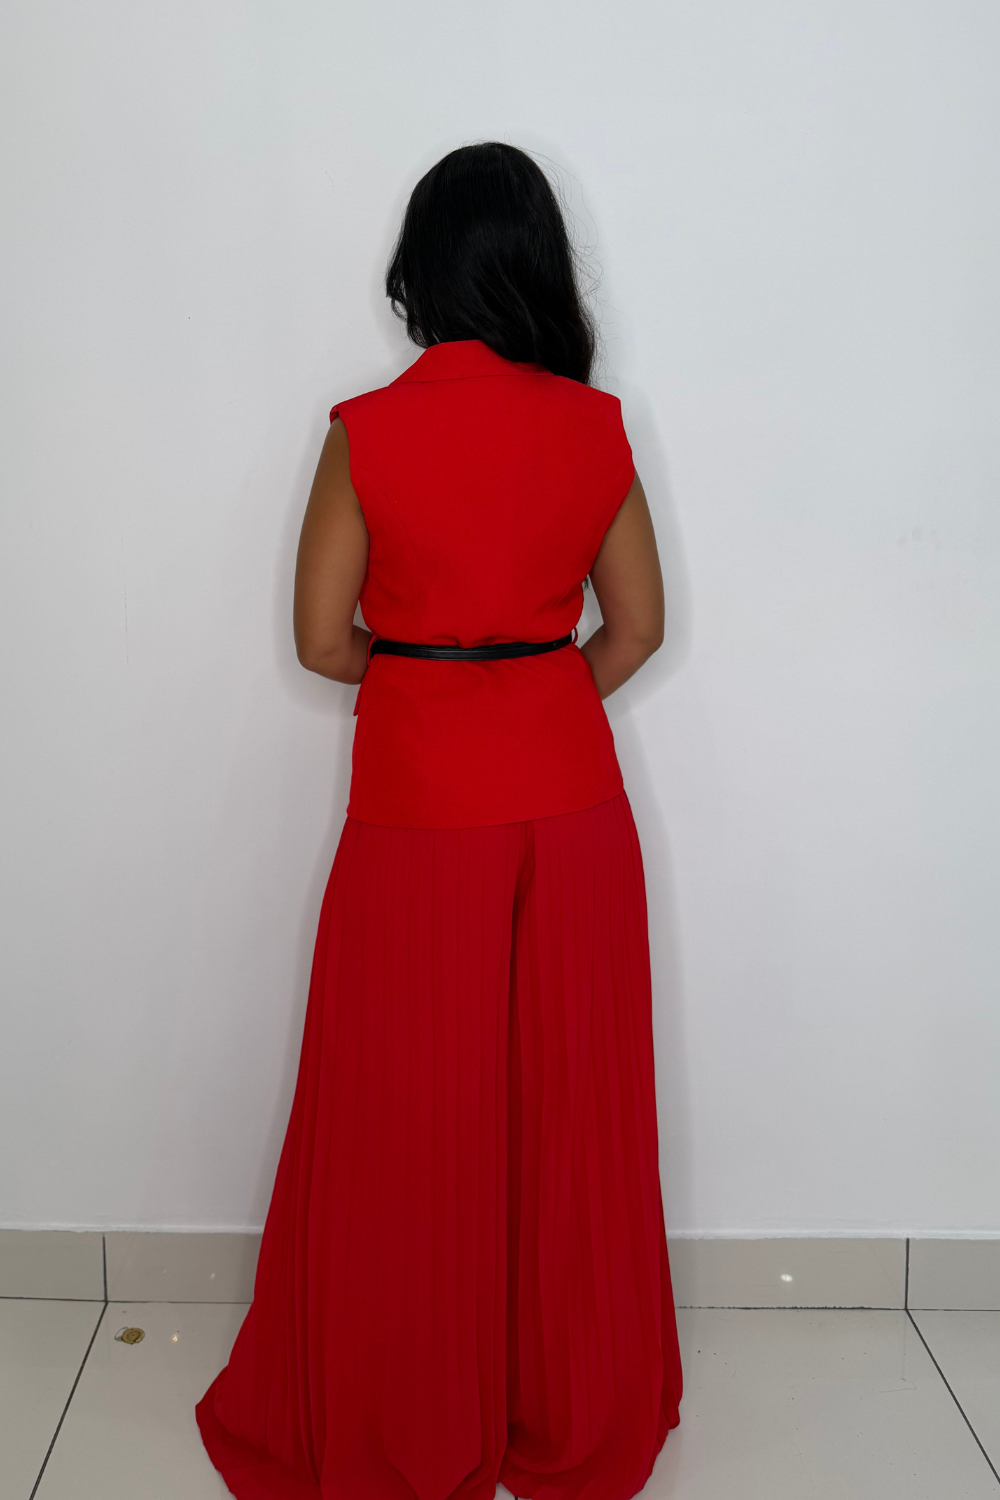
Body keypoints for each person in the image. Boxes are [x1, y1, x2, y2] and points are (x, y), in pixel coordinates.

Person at [196, 140, 683, 1500]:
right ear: (538, 267)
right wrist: (532, 697)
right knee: (566, 1118)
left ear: (422, 269)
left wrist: (428, 688)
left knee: (411, 1121)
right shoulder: (592, 429)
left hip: (418, 802)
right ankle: (570, 1421)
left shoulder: (370, 431)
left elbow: (319, 641)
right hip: (572, 804)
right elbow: (637, 628)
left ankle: (414, 1425)